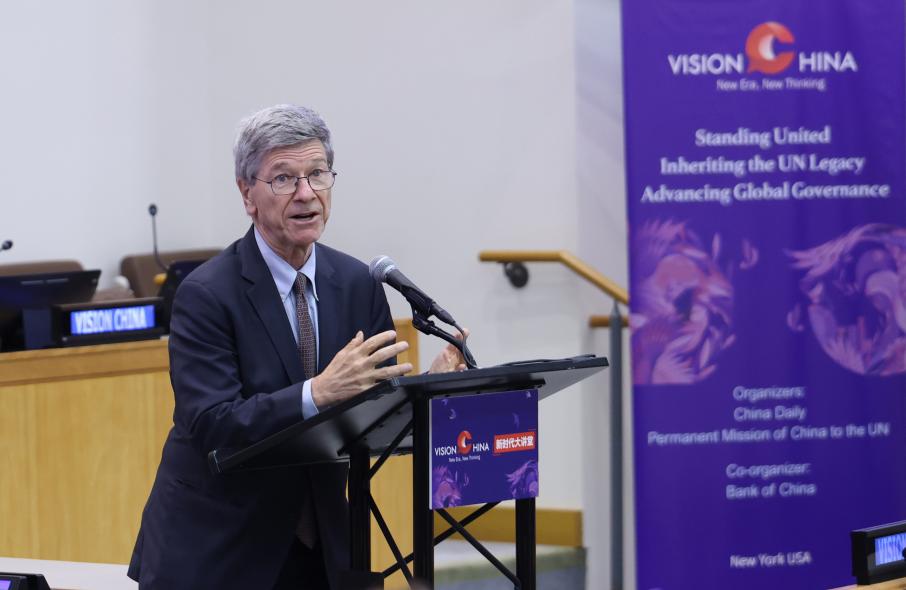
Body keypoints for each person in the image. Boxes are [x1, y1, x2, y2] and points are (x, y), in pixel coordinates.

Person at [128, 104, 465, 589]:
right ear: (247, 194)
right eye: (284, 178)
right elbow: (213, 425)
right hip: (219, 545)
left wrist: (425, 392)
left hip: (322, 546)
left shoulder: (357, 283)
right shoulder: (206, 294)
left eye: (317, 174)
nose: (306, 193)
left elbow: (373, 414)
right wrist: (317, 393)